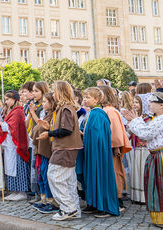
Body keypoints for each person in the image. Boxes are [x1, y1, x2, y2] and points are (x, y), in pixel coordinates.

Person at [36, 81, 82, 221]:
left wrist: (49, 134)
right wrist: (49, 129)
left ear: (61, 93)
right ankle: (74, 208)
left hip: (65, 148)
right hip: (66, 147)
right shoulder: (65, 108)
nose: (53, 94)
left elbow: (66, 130)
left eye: (55, 92)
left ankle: (68, 208)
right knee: (68, 179)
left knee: (54, 175)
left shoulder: (66, 109)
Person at [81, 87, 119, 218]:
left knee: (100, 176)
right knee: (91, 176)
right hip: (91, 151)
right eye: (84, 97)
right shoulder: (91, 113)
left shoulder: (98, 114)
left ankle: (104, 206)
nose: (85, 100)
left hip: (97, 152)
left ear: (97, 99)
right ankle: (94, 203)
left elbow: (99, 136)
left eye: (88, 98)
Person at [127, 92, 163, 228]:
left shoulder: (161, 119)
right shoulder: (156, 118)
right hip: (155, 155)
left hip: (160, 155)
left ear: (161, 105)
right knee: (156, 186)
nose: (149, 105)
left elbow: (146, 134)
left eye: (152, 102)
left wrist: (136, 121)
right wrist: (135, 121)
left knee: (160, 186)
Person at [99, 85, 132, 212]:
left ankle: (117, 202)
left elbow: (116, 130)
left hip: (112, 148)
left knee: (115, 172)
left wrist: (117, 146)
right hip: (107, 147)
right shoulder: (105, 110)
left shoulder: (111, 111)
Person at [0, 90, 30, 201]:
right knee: (10, 168)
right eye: (5, 99)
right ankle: (14, 190)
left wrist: (1, 124)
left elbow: (13, 127)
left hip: (16, 145)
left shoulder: (18, 111)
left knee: (17, 168)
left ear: (14, 99)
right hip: (9, 144)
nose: (5, 101)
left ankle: (21, 191)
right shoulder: (11, 111)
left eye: (7, 99)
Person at [31, 92, 58, 214]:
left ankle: (51, 200)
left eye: (46, 101)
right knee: (40, 174)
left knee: (46, 175)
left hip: (46, 150)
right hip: (40, 149)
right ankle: (44, 200)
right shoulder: (47, 115)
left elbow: (50, 129)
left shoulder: (54, 115)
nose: (43, 103)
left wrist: (48, 128)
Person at [123, 94, 151, 204]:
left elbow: (144, 133)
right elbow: (130, 133)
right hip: (136, 148)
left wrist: (135, 122)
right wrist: (130, 123)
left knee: (143, 172)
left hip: (145, 149)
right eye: (133, 102)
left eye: (137, 102)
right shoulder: (137, 117)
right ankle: (137, 196)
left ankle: (144, 197)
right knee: (136, 171)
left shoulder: (148, 118)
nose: (134, 105)